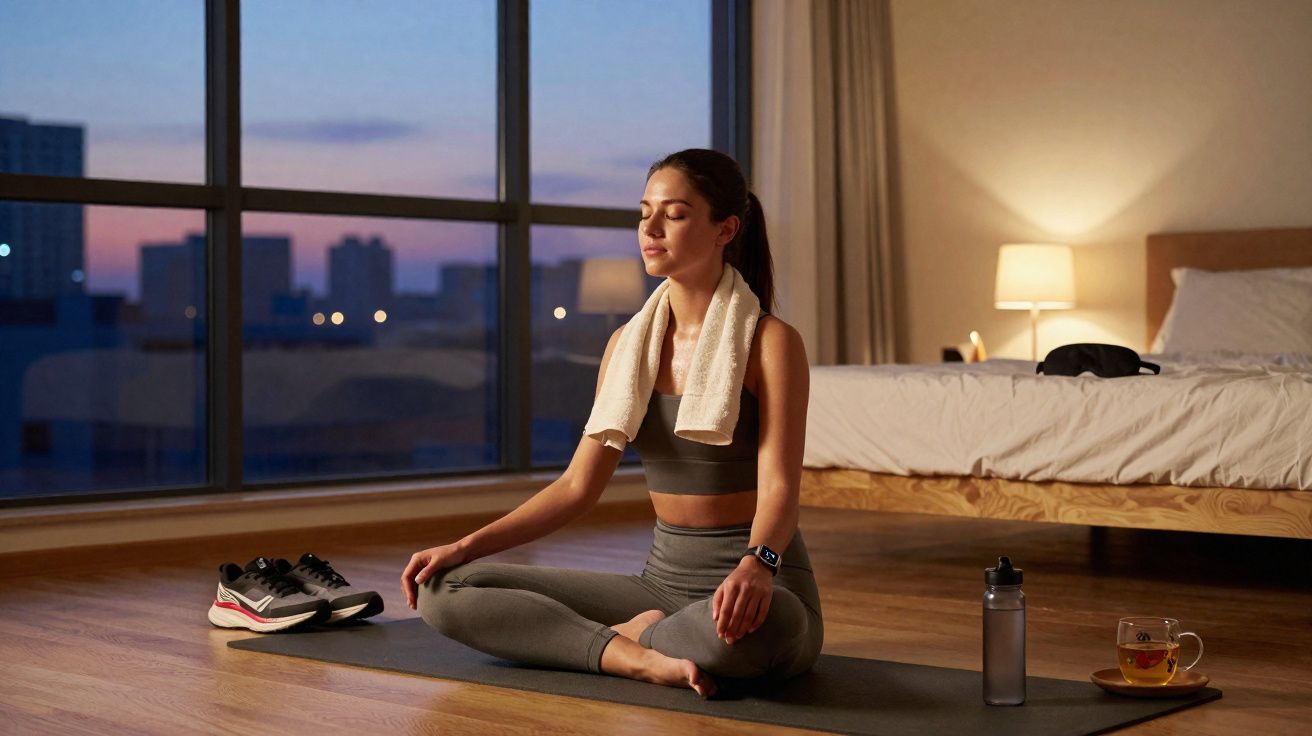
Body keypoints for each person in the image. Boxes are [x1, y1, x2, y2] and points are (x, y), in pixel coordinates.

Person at [401, 148, 819, 699]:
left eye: (675, 214)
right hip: (660, 584)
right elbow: (578, 486)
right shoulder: (626, 346)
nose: (650, 228)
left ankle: (632, 637)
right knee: (444, 588)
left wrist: (758, 565)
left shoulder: (771, 343)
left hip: (758, 584)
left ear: (725, 229)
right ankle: (631, 654)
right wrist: (463, 546)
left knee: (771, 626)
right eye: (644, 213)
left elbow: (781, 486)